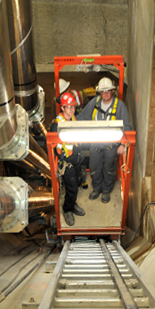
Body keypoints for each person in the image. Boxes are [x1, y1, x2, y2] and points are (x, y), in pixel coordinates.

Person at [78, 77, 132, 204]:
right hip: (95, 144)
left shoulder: (120, 106)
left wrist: (123, 144)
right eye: (103, 91)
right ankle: (97, 188)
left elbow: (127, 126)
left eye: (108, 91)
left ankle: (106, 190)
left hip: (111, 146)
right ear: (100, 92)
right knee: (94, 168)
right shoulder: (94, 103)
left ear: (112, 91)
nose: (106, 94)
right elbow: (82, 117)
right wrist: (68, 122)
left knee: (109, 169)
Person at [50, 92, 86, 226]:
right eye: (69, 107)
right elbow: (54, 147)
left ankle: (72, 203)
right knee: (72, 188)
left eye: (73, 107)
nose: (72, 109)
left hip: (75, 159)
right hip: (66, 162)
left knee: (76, 184)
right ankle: (68, 209)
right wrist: (64, 158)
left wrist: (79, 151)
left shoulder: (73, 119)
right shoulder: (57, 124)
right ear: (62, 108)